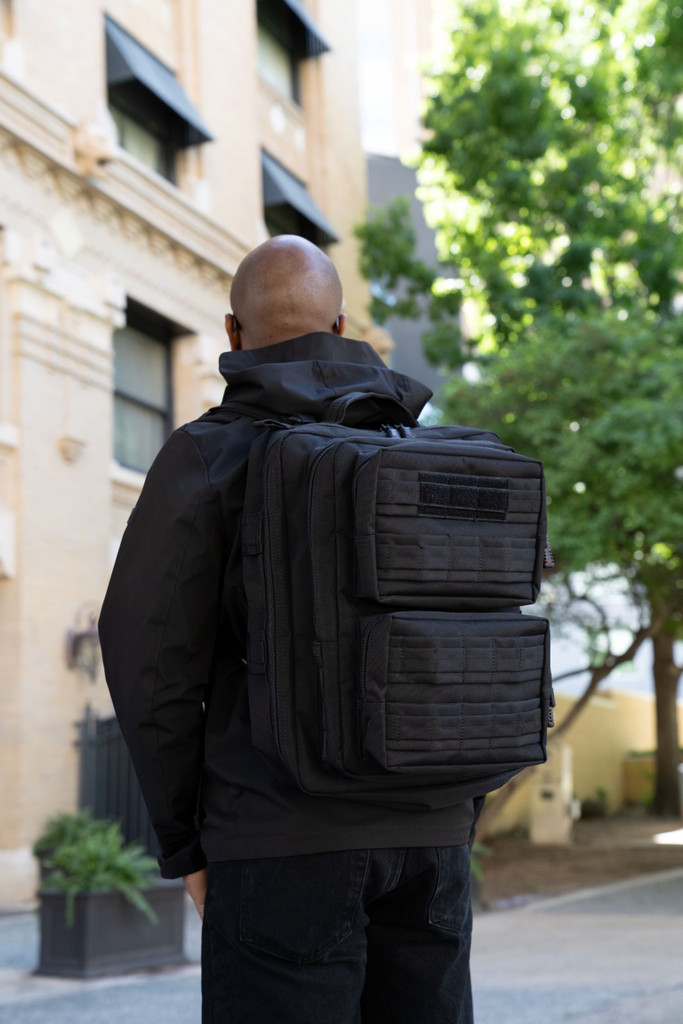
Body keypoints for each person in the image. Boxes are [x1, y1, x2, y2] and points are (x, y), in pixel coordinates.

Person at [99, 235, 478, 1024]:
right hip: (430, 840)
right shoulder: (419, 454)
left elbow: (148, 664)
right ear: (341, 329)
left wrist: (185, 846)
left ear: (231, 336)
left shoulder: (204, 455)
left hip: (274, 841)